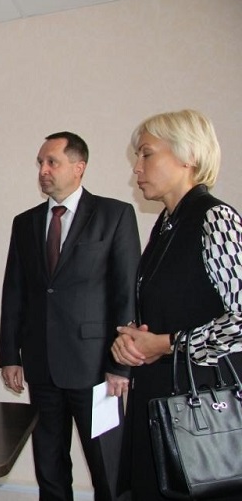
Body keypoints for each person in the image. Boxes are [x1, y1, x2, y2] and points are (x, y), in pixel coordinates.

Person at [0, 131, 140, 501]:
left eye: (52, 162)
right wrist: (10, 355)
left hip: (97, 369)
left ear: (79, 167)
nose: (43, 170)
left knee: (108, 469)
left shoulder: (115, 215)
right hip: (42, 366)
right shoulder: (25, 222)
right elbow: (14, 291)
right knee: (49, 467)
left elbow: (126, 294)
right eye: (40, 163)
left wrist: (121, 365)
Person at [110, 109, 242, 500]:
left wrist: (169, 343)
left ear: (189, 156)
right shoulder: (167, 225)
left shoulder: (216, 219)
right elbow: (171, 309)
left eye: (147, 153)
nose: (137, 167)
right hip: (163, 401)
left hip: (204, 413)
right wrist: (132, 342)